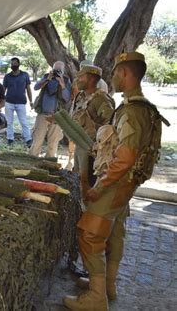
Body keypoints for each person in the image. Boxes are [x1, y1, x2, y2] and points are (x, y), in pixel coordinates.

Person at [63, 52, 169, 310]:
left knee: (89, 234)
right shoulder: (143, 108)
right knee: (114, 232)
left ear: (124, 73)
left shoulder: (132, 111)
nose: (112, 78)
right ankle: (107, 284)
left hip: (117, 182)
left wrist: (99, 187)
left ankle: (97, 297)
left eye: (115, 73)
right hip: (126, 184)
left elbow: (126, 156)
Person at [70, 65, 114, 199]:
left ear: (91, 79)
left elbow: (110, 126)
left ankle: (89, 211)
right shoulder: (80, 96)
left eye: (81, 77)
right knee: (78, 177)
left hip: (91, 149)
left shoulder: (101, 99)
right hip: (79, 145)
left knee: (87, 181)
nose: (77, 79)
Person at [29, 61, 71, 157]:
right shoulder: (46, 76)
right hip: (42, 114)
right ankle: (32, 159)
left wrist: (62, 85)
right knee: (37, 139)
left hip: (57, 116)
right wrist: (47, 79)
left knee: (53, 142)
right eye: (55, 69)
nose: (57, 72)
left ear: (63, 71)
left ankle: (50, 162)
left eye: (59, 70)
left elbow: (67, 98)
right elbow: (36, 87)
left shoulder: (66, 80)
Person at [3, 57, 33, 147]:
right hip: (9, 102)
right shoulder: (7, 76)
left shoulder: (25, 75)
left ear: (19, 64)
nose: (13, 65)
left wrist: (31, 101)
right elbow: (3, 89)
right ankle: (10, 139)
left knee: (23, 121)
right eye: (12, 64)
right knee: (9, 122)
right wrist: (0, 101)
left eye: (15, 63)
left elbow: (28, 89)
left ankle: (28, 139)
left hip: (21, 103)